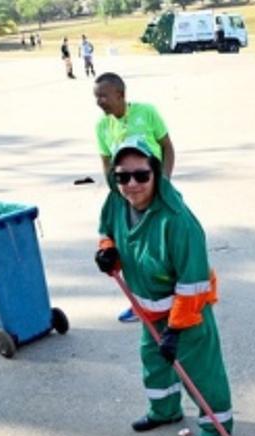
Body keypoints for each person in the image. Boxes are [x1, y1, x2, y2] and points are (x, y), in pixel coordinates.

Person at [94, 138, 233, 436]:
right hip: (148, 309)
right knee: (154, 362)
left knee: (200, 373)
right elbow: (108, 231)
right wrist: (106, 251)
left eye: (141, 175)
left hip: (187, 313)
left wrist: (176, 329)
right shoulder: (115, 202)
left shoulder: (178, 222)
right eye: (122, 176)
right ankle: (165, 410)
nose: (131, 184)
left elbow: (193, 283)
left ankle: (217, 431)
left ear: (155, 173)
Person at [93, 72, 177, 323]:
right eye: (96, 97)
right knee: (131, 250)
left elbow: (167, 146)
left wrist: (165, 180)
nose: (99, 101)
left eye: (103, 96)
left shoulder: (147, 112)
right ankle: (139, 301)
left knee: (164, 247)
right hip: (128, 196)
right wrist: (117, 195)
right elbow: (106, 163)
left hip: (155, 189)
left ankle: (175, 301)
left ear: (120, 94)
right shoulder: (101, 126)